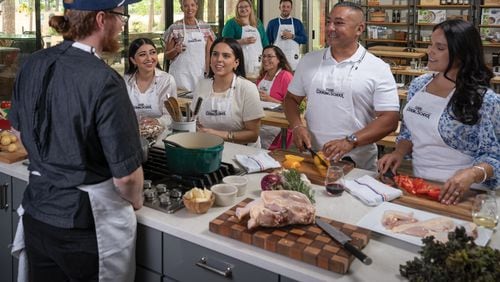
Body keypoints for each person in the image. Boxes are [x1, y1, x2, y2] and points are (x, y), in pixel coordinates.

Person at [9, 1, 144, 281]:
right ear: (100, 19)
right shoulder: (105, 80)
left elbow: (20, 134)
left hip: (37, 214)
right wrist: (136, 200)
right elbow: (127, 178)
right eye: (121, 16)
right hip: (84, 228)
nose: (123, 24)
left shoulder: (33, 62)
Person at [378, 19, 499, 205]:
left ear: (461, 53)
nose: (430, 51)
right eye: (431, 44)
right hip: (421, 184)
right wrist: (399, 153)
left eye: (440, 48)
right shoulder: (419, 85)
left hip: (465, 194)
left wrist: (472, 174)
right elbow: (409, 132)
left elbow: (494, 156)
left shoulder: (484, 100)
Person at [284, 1, 400, 170]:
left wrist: (350, 141)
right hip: (314, 156)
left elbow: (390, 119)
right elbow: (291, 100)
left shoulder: (377, 68)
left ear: (359, 29)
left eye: (338, 23)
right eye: (329, 21)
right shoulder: (309, 60)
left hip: (358, 163)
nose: (330, 28)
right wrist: (297, 126)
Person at [191, 37, 265, 147]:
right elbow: (194, 119)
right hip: (207, 148)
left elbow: (253, 134)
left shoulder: (247, 88)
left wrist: (218, 135)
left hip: (241, 153)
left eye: (226, 56)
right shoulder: (202, 85)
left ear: (236, 62)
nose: (219, 59)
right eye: (215, 54)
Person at [124, 37, 177, 140]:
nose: (149, 58)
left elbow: (171, 115)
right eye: (142, 54)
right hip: (131, 136)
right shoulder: (125, 81)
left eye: (152, 53)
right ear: (133, 60)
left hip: (161, 138)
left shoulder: (167, 80)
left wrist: (158, 121)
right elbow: (120, 114)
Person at [163, 0, 215, 91]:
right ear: (182, 8)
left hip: (200, 74)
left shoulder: (205, 27)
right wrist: (175, 50)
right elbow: (167, 55)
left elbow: (209, 53)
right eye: (186, 6)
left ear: (196, 7)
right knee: (180, 103)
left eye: (192, 5)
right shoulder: (174, 27)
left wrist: (208, 71)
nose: (190, 8)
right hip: (180, 75)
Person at [256, 45, 294, 149]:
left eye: (269, 56)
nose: (265, 59)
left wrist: (270, 99)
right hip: (262, 118)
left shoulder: (286, 76)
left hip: (279, 124)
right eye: (263, 56)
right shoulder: (262, 76)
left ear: (279, 59)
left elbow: (294, 106)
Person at [222, 0, 269, 77]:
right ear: (237, 9)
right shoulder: (231, 23)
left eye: (246, 6)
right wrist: (241, 41)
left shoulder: (258, 23)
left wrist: (267, 58)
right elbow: (225, 43)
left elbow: (265, 42)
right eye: (241, 7)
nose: (243, 9)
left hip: (258, 62)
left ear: (250, 8)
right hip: (240, 63)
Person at [266, 0, 307, 70]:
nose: (285, 9)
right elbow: (267, 43)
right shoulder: (272, 23)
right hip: (277, 60)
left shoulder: (297, 23)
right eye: (283, 6)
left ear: (291, 8)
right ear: (279, 7)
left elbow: (304, 40)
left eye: (288, 7)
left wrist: (292, 36)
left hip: (293, 60)